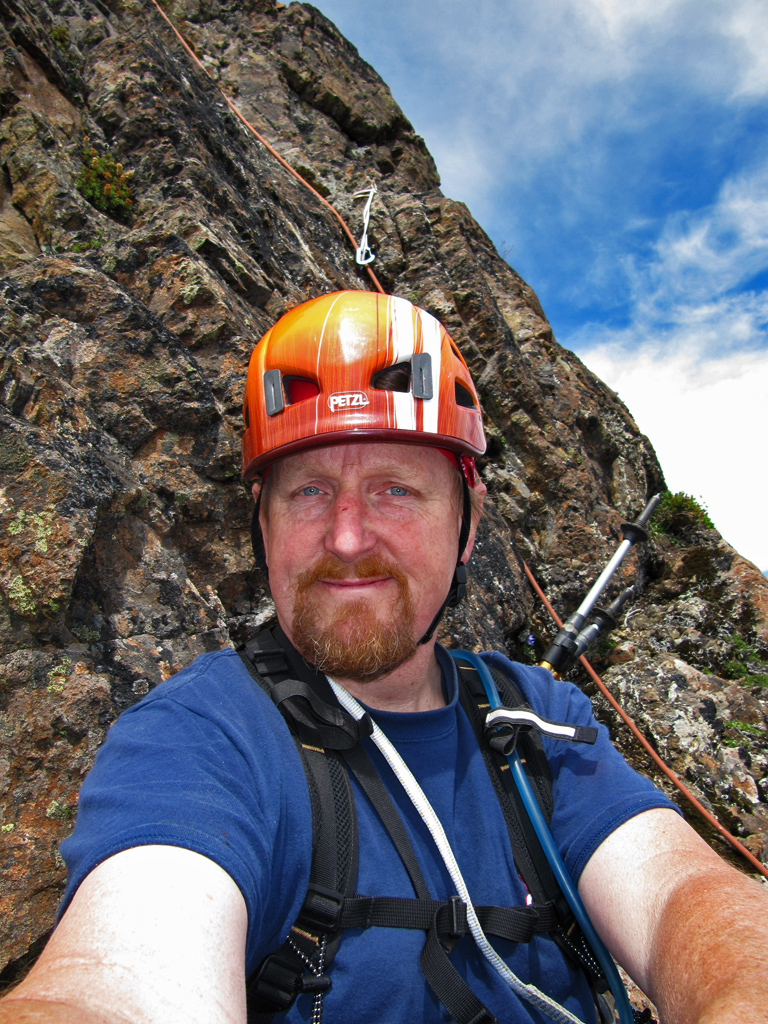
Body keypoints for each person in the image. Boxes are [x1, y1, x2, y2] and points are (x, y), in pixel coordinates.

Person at [1, 290, 767, 1024]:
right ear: (261, 526)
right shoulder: (203, 736)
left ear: (466, 528)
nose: (346, 538)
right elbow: (121, 981)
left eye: (395, 489)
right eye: (306, 491)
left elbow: (681, 893)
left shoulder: (536, 719)